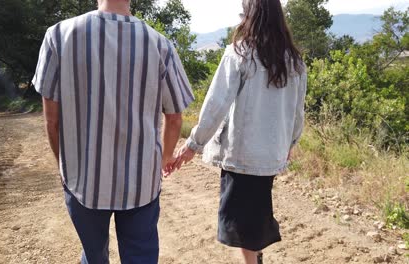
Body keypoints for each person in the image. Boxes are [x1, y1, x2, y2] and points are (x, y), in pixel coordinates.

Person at [32, 0, 194, 263]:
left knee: (94, 256)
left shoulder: (59, 36)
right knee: (140, 256)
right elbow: (174, 118)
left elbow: (52, 122)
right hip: (141, 182)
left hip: (82, 179)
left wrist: (64, 165)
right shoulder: (159, 44)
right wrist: (163, 160)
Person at [172, 0, 307, 263]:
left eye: (243, 12)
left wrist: (194, 144)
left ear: (250, 16)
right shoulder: (294, 60)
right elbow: (297, 112)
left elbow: (216, 105)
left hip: (243, 156)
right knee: (254, 217)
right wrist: (290, 142)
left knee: (244, 225)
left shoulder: (240, 53)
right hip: (271, 155)